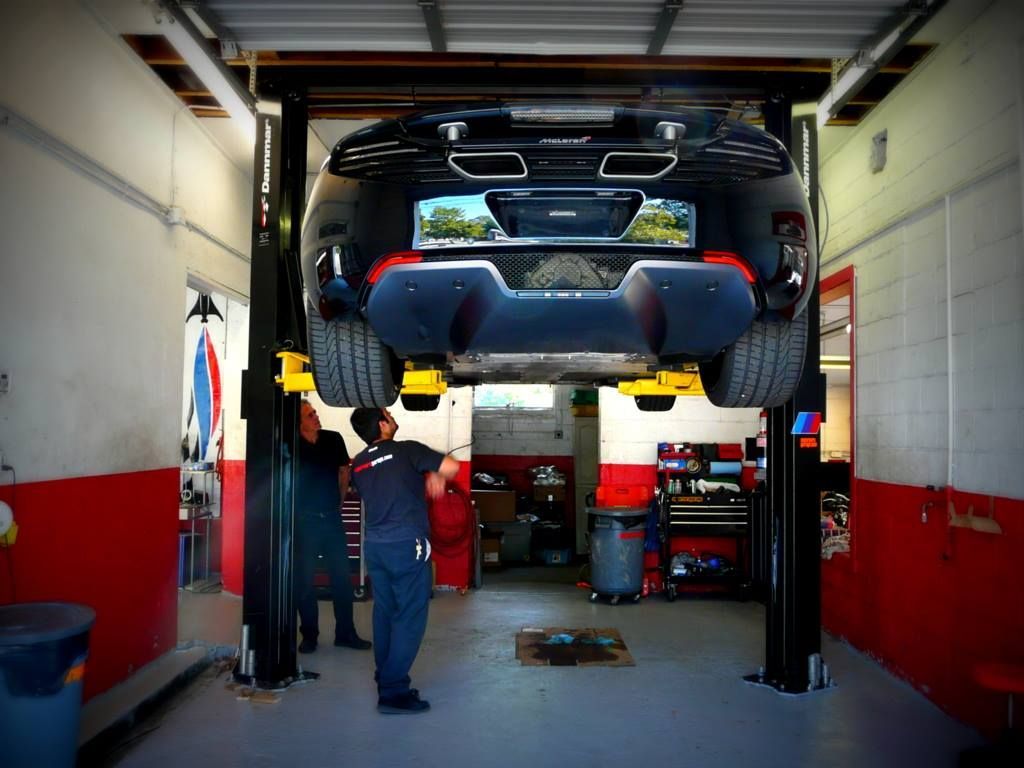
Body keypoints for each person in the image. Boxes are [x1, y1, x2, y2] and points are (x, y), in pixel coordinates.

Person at [349, 407, 460, 714]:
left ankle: (384, 675)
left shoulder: (358, 463)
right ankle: (394, 692)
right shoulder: (406, 450)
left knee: (384, 611)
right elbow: (452, 466)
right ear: (383, 424)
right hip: (406, 544)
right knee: (410, 615)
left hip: (375, 546)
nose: (392, 416)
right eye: (388, 413)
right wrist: (437, 472)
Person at [294, 400, 371, 654]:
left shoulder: (333, 439)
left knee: (341, 579)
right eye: (310, 415)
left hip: (331, 519)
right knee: (304, 582)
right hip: (304, 522)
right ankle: (310, 636)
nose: (316, 417)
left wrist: (338, 504)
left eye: (315, 412)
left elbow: (343, 472)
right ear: (299, 422)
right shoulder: (290, 444)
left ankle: (346, 634)